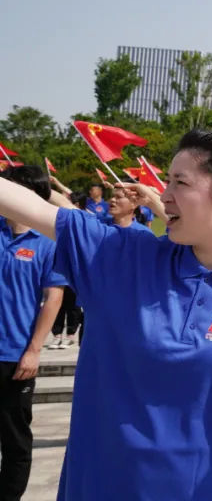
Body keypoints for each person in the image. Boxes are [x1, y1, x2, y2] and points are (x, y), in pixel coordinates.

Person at [0, 129, 212, 499]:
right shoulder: (120, 258)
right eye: (168, 181)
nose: (163, 195)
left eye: (181, 182)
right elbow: (28, 205)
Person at [0, 165, 65, 500]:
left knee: (14, 438)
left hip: (14, 354)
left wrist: (34, 349)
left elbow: (53, 297)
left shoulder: (47, 244)